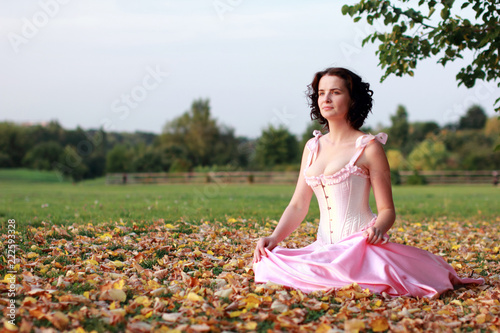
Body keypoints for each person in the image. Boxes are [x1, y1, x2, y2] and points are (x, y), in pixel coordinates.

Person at [252, 67, 484, 298]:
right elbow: (298, 205)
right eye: (322, 93)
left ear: (352, 100)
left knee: (360, 280)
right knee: (267, 263)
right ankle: (325, 268)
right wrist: (274, 238)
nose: (326, 98)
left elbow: (387, 210)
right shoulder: (312, 147)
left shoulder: (369, 147)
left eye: (335, 92)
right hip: (324, 247)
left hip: (360, 246)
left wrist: (378, 229)